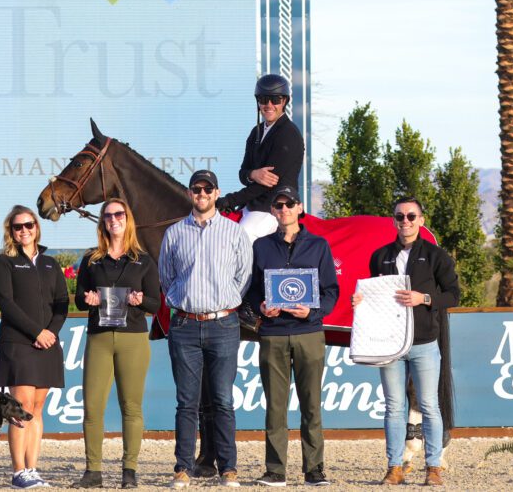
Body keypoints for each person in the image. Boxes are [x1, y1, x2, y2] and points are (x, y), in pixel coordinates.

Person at [352, 197, 460, 487]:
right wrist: (361, 301)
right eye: (400, 216)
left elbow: (453, 295)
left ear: (421, 220)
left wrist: (424, 298)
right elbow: (375, 296)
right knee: (394, 407)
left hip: (424, 342)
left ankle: (433, 466)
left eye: (412, 216)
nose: (406, 221)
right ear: (394, 221)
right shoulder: (381, 256)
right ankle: (394, 467)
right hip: (389, 344)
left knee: (429, 406)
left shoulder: (437, 256)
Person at [158, 170, 253, 489]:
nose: (201, 193)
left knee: (223, 400)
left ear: (216, 192)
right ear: (189, 194)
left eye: (207, 188)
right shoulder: (174, 233)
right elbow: (166, 278)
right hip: (185, 325)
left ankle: (228, 468)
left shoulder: (234, 232)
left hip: (224, 323)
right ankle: (182, 467)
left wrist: (225, 302)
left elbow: (243, 276)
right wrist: (184, 301)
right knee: (186, 402)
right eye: (196, 189)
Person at [246, 186, 338, 487]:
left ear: (300, 208)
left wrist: (311, 312)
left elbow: (330, 292)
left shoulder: (319, 246)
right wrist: (261, 306)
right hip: (272, 334)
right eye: (278, 204)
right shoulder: (260, 247)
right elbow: (252, 291)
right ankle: (275, 470)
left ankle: (314, 469)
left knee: (311, 404)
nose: (284, 209)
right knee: (275, 405)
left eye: (289, 204)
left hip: (308, 333)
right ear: (273, 210)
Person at [72, 198, 161, 490]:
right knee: (92, 407)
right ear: (103, 222)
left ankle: (129, 470)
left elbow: (155, 302)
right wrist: (89, 299)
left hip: (132, 337)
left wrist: (139, 301)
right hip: (99, 336)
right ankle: (93, 470)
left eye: (119, 214)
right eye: (108, 215)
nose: (114, 219)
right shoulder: (91, 259)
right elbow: (79, 298)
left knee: (131, 406)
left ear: (128, 218)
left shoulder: (143, 260)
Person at [0, 204, 69, 489]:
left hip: (47, 343)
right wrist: (36, 331)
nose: (24, 230)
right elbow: (6, 303)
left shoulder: (50, 263)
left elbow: (62, 303)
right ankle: (18, 471)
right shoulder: (5, 262)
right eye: (17, 227)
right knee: (20, 406)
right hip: (18, 342)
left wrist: (50, 332)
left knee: (37, 409)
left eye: (29, 225)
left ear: (37, 227)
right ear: (10, 231)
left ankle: (33, 469)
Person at [217, 73, 305, 242]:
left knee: (242, 237)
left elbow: (266, 185)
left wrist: (229, 200)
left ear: (284, 101)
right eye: (264, 99)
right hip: (253, 205)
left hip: (274, 207)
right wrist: (252, 174)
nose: (269, 105)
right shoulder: (255, 132)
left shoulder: (289, 135)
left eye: (275, 99)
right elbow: (243, 173)